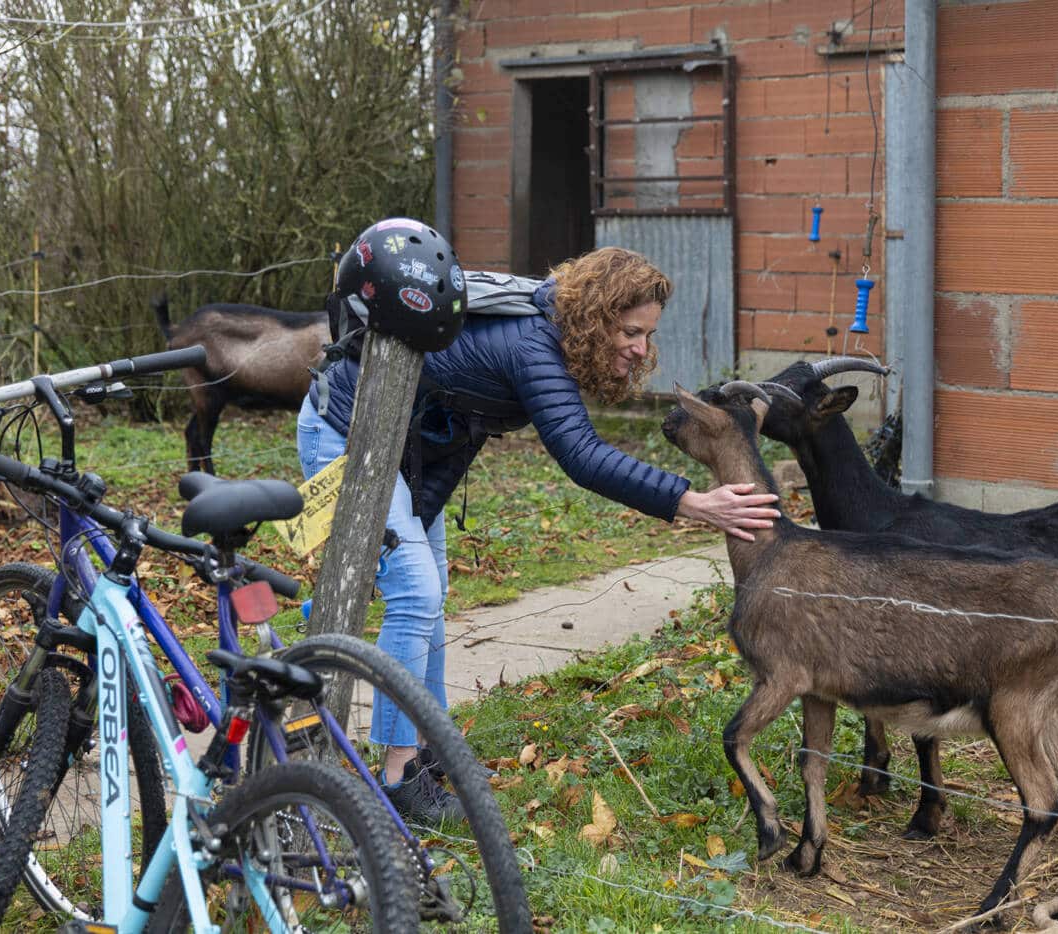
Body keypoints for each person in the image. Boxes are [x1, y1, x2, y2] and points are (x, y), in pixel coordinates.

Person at [298, 233, 780, 824]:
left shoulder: (551, 328)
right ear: (596, 316)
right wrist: (694, 502)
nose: (640, 348)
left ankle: (428, 747)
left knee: (430, 593)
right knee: (415, 592)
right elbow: (581, 454)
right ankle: (398, 778)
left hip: (407, 448)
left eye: (648, 335)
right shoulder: (534, 344)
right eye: (630, 332)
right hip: (347, 433)